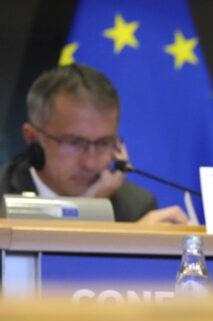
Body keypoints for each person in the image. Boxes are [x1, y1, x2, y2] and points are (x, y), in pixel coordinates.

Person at [0, 64, 188, 224]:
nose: (90, 163)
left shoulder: (135, 207)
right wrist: (86, 209)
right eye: (74, 143)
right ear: (32, 137)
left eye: (103, 143)